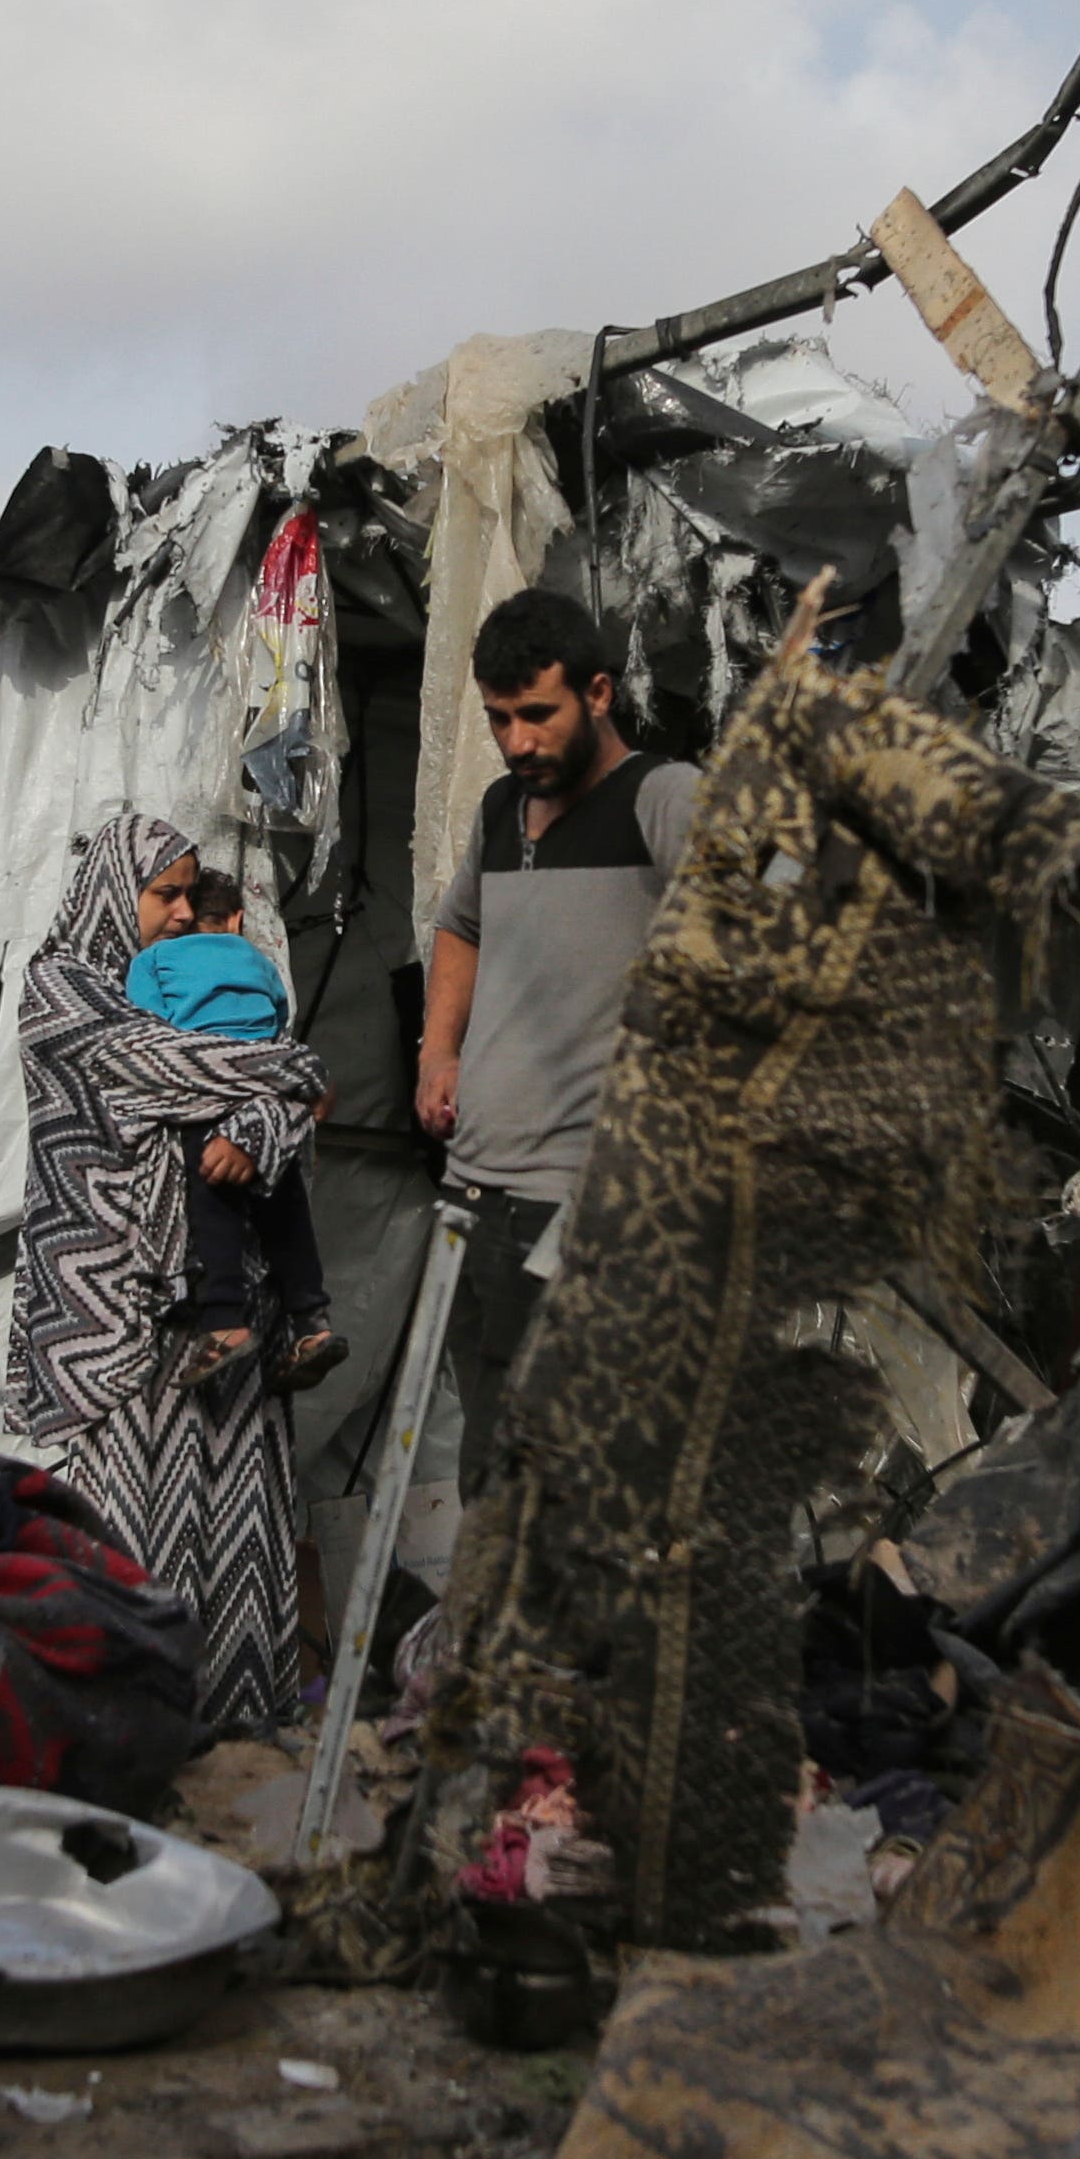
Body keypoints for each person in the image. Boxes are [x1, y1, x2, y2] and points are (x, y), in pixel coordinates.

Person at [6, 816, 332, 1724]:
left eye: (193, 893)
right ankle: (128, 1734)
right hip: (116, 1310)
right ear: (117, 892)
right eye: (166, 894)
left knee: (239, 1520)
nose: (186, 913)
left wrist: (265, 1120)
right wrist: (290, 1077)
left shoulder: (197, 984)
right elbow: (172, 1069)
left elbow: (274, 1105)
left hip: (232, 1299)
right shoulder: (62, 993)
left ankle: (236, 1734)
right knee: (128, 1528)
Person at [416, 588, 701, 1506]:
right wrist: (437, 1052)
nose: (518, 741)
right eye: (500, 720)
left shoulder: (663, 798)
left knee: (585, 1487)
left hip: (583, 1212)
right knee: (492, 1477)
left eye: (538, 714)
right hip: (471, 1197)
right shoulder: (502, 811)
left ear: (601, 693)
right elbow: (460, 925)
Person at [127, 865, 343, 1397]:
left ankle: (224, 1319)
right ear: (237, 918)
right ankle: (312, 1325)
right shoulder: (257, 960)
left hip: (206, 1103)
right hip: (268, 1099)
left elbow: (146, 1029)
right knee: (287, 1212)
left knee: (213, 1204)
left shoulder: (152, 959)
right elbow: (278, 1019)